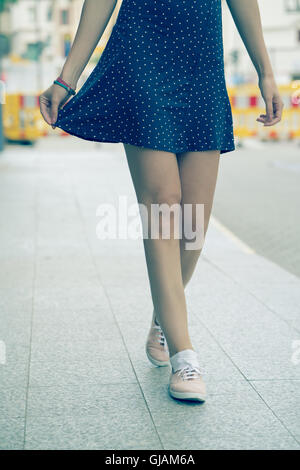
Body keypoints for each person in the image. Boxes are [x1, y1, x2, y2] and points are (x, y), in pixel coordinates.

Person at [39, 0, 284, 402]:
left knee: (194, 226)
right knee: (164, 203)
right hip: (141, 55)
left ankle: (164, 317)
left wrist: (266, 72)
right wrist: (67, 78)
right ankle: (184, 355)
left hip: (202, 61)